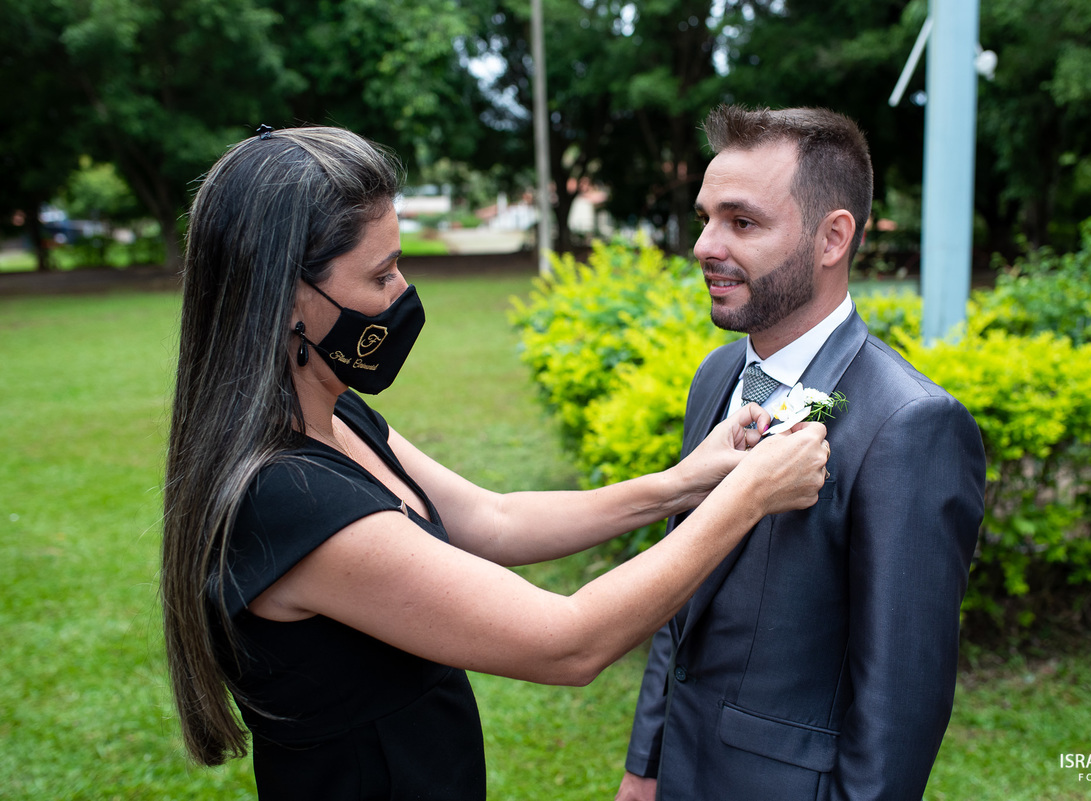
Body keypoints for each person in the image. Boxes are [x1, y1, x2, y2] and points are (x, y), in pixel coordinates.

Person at [159, 125, 831, 801]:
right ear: (288, 301)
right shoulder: (286, 497)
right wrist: (746, 498)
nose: (403, 294)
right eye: (381, 274)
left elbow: (495, 518)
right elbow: (567, 642)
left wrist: (684, 480)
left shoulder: (337, 418)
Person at [616, 106, 986, 801]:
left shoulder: (912, 424)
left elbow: (901, 700)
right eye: (704, 217)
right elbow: (682, 591)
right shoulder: (716, 377)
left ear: (831, 237)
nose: (704, 244)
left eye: (742, 222)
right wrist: (647, 762)